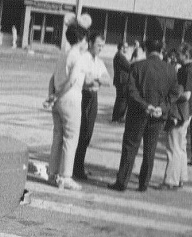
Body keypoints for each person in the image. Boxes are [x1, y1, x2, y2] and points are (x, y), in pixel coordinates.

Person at [109, 38, 180, 192]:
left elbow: (131, 91)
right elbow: (174, 94)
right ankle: (143, 184)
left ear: (145, 49)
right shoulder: (170, 70)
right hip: (158, 116)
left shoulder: (137, 67)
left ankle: (122, 182)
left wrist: (145, 105)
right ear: (161, 50)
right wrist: (162, 107)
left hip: (137, 113)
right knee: (150, 150)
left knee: (130, 147)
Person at [46, 23, 92, 191]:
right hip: (70, 99)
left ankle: (52, 174)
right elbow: (73, 79)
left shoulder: (63, 54)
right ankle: (65, 177)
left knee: (57, 137)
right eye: (85, 38)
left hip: (57, 101)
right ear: (80, 39)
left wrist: (52, 95)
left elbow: (52, 78)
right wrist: (59, 94)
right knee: (71, 138)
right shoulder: (77, 56)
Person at [72, 31, 111, 181]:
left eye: (103, 46)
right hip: (83, 96)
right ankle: (76, 167)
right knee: (80, 133)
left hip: (93, 97)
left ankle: (79, 165)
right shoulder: (84, 59)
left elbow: (108, 80)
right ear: (90, 43)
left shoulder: (98, 62)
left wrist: (97, 79)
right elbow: (85, 81)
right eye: (98, 45)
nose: (100, 48)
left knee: (88, 133)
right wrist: (96, 79)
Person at [161, 44, 192, 189]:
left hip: (180, 112)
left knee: (173, 147)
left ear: (185, 55)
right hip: (187, 113)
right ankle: (181, 177)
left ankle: (171, 180)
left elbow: (187, 95)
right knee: (181, 147)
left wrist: (171, 95)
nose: (176, 57)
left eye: (179, 55)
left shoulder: (186, 71)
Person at [111, 42, 130, 123]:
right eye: (126, 47)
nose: (127, 49)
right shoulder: (120, 56)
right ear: (122, 47)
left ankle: (116, 117)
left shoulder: (118, 55)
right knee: (123, 100)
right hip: (122, 81)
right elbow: (129, 67)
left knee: (119, 99)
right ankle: (119, 117)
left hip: (120, 80)